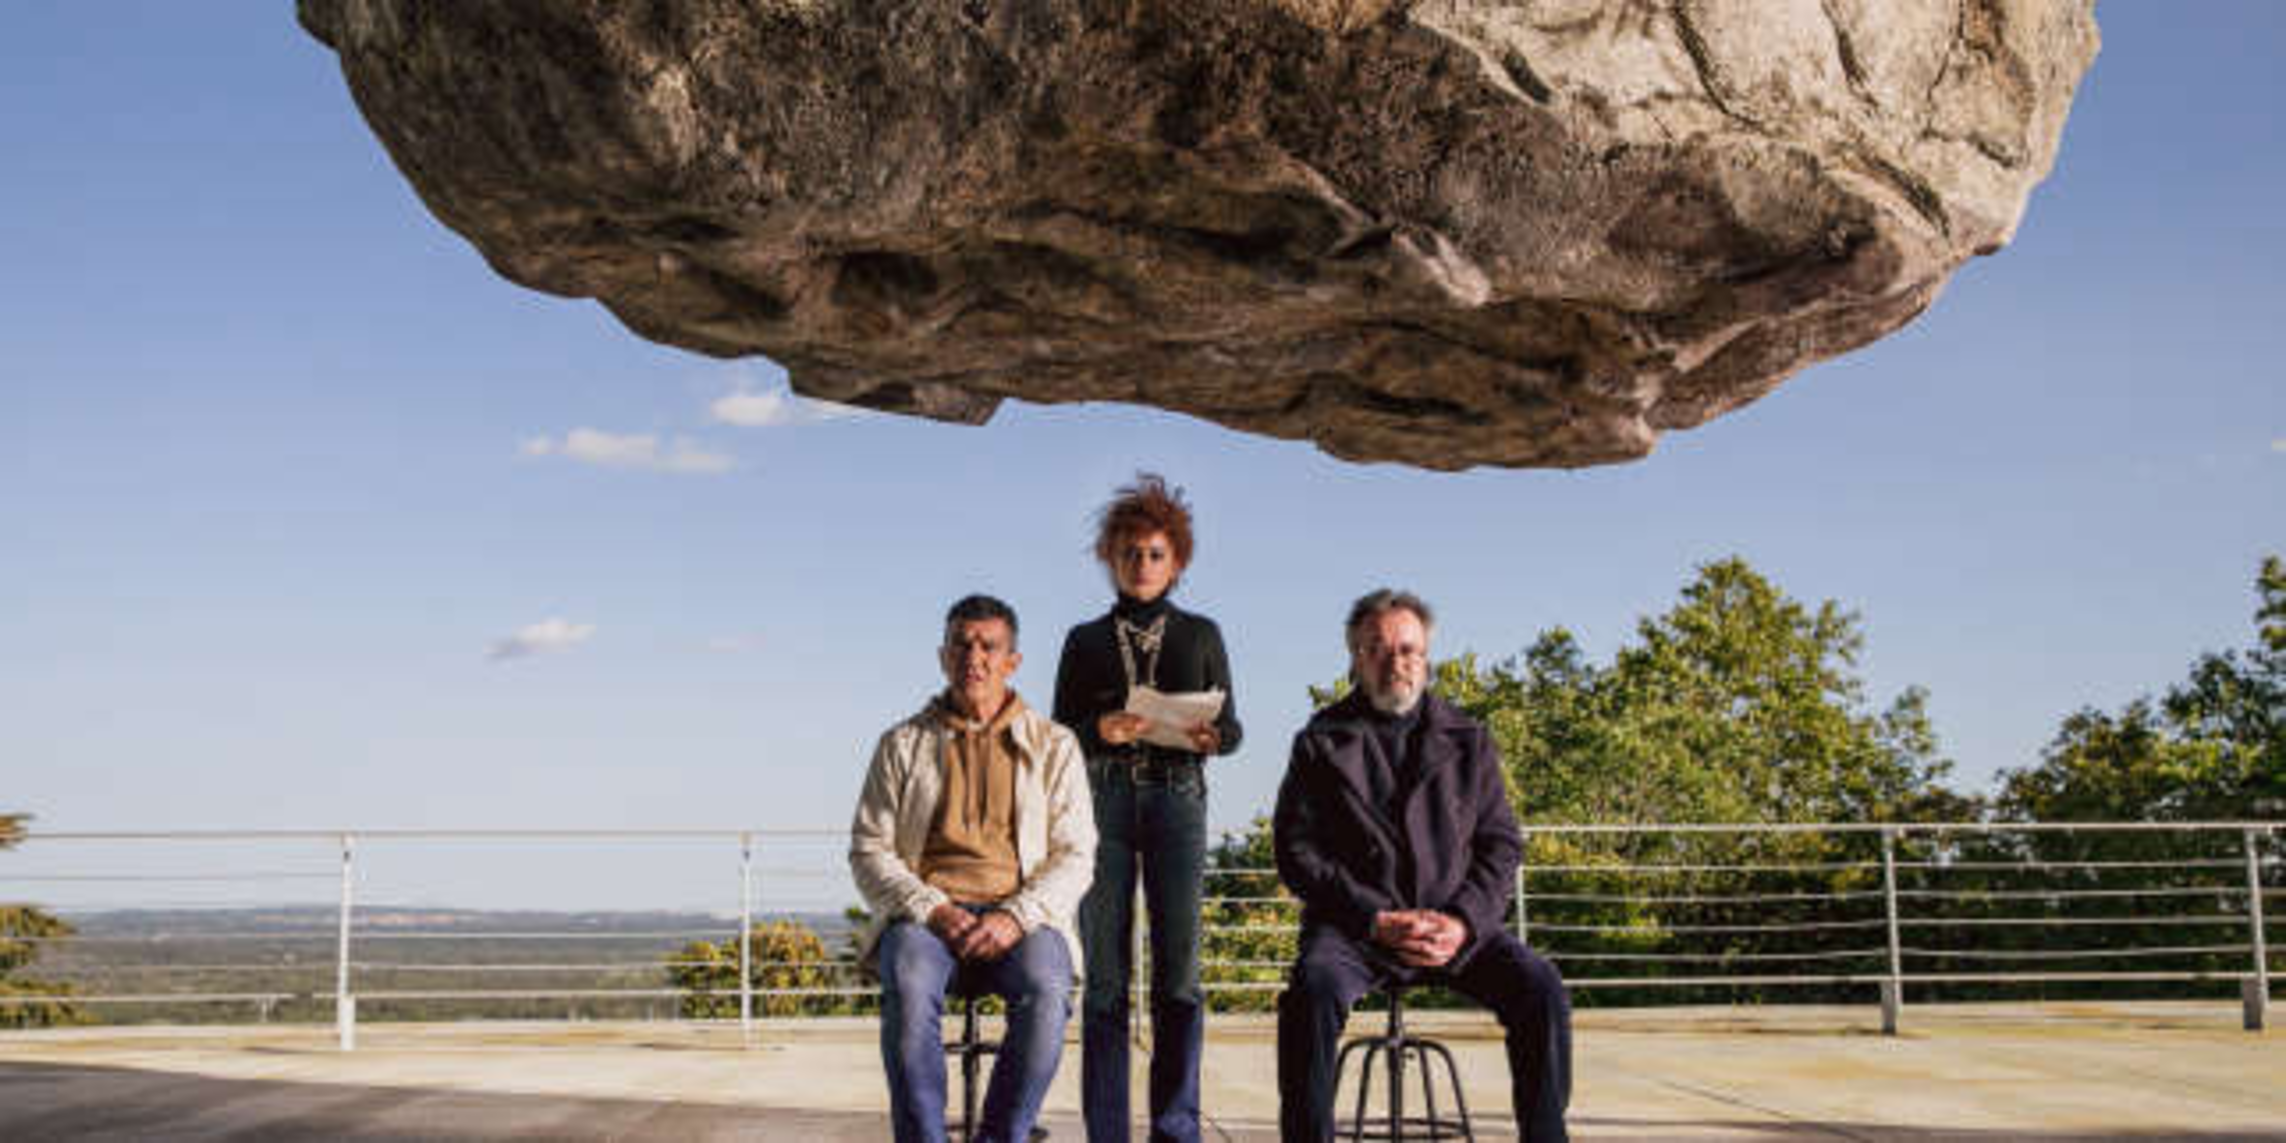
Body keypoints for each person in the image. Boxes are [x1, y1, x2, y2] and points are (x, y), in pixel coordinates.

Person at [1272, 589, 1572, 1142]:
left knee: (1541, 986)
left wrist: (1462, 921)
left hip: (1453, 928)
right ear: (1356, 658)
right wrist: (1373, 918)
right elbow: (1296, 851)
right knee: (1310, 994)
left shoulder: (1469, 740)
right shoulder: (1319, 742)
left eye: (1409, 649)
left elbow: (1501, 844)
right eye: (1379, 650)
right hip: (1354, 931)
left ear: (1426, 656)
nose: (1397, 662)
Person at [851, 594, 1098, 1143]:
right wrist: (932, 908)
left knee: (1048, 988)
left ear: (1013, 661)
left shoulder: (1056, 745)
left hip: (1025, 919)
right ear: (944, 656)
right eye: (962, 645)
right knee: (908, 983)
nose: (974, 658)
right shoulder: (901, 744)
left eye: (989, 646)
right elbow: (869, 849)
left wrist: (1016, 916)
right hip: (927, 919)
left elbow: (1077, 854)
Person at [1054, 473, 1242, 1143]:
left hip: (1178, 798)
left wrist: (1214, 737)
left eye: (1155, 553)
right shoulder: (1083, 639)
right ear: (1110, 557)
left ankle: (1176, 1129)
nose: (1142, 564)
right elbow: (1059, 735)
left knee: (1179, 977)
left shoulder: (1202, 633)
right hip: (1102, 799)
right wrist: (1098, 728)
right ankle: (1107, 1132)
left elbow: (1234, 728)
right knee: (1105, 980)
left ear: (1177, 561)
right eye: (1130, 552)